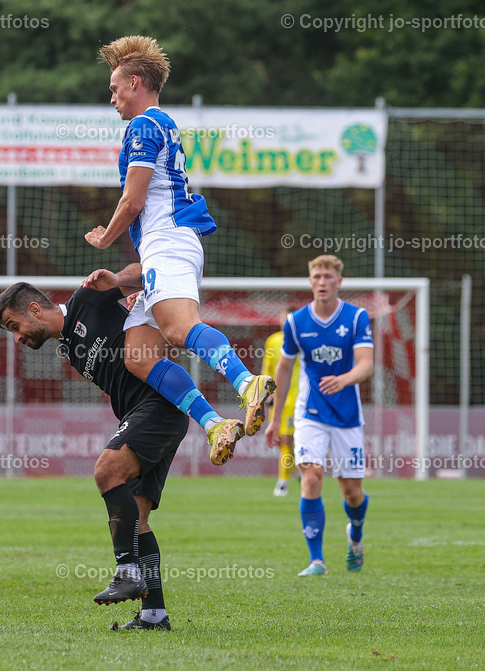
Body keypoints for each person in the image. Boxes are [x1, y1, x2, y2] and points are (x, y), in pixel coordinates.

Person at [84, 35, 274, 466]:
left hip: (170, 241)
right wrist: (119, 278)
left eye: (114, 88)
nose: (111, 97)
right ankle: (215, 425)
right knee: (138, 356)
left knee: (177, 329)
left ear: (135, 83)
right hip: (165, 247)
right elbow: (147, 218)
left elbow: (132, 201)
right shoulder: (160, 124)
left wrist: (105, 237)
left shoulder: (144, 125)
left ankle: (247, 384)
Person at [0, 277, 187, 631]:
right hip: (146, 414)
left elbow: (148, 268)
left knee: (106, 471)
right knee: (138, 521)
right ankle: (153, 615)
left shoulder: (87, 298)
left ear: (34, 309)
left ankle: (126, 571)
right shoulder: (68, 348)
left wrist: (119, 281)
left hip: (158, 405)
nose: (18, 338)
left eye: (15, 326)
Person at [264, 255, 373, 576]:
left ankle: (355, 534)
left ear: (339, 281)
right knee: (311, 477)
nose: (322, 282)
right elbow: (283, 369)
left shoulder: (356, 318)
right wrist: (274, 419)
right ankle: (316, 561)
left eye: (328, 276)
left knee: (351, 492)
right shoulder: (297, 322)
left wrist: (345, 378)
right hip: (309, 412)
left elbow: (366, 363)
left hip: (348, 414)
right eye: (316, 276)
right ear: (310, 281)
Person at [260, 309, 300, 497]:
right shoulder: (273, 341)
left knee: (287, 439)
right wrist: (265, 393)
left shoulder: (303, 340)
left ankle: (283, 481)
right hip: (278, 398)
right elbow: (268, 368)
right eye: (283, 317)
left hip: (297, 399)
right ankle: (294, 471)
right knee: (278, 439)